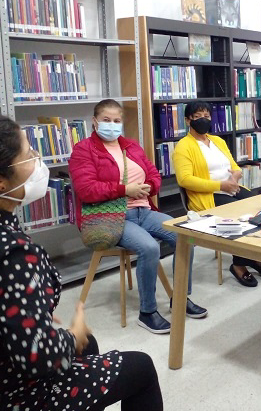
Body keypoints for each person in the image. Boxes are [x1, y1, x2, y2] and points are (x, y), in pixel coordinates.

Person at [0, 114, 163, 411]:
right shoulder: (12, 253)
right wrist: (71, 334)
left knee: (90, 348)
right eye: (28, 155)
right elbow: (38, 356)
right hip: (4, 394)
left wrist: (31, 313)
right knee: (140, 367)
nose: (38, 161)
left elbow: (152, 174)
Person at [69, 99, 206, 336]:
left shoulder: (131, 146)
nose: (112, 125)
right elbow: (86, 190)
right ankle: (147, 312)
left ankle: (180, 298)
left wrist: (149, 187)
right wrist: (125, 190)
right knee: (149, 248)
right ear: (94, 122)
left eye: (117, 121)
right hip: (113, 216)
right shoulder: (83, 150)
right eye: (106, 120)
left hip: (144, 210)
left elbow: (153, 173)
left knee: (185, 237)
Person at [173, 101, 261, 288]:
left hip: (230, 187)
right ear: (188, 120)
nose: (203, 120)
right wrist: (221, 185)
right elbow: (185, 180)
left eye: (206, 116)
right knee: (237, 217)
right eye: (197, 117)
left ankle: (253, 256)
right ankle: (238, 264)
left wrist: (235, 176)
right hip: (207, 195)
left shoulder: (218, 141)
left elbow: (234, 166)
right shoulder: (183, 146)